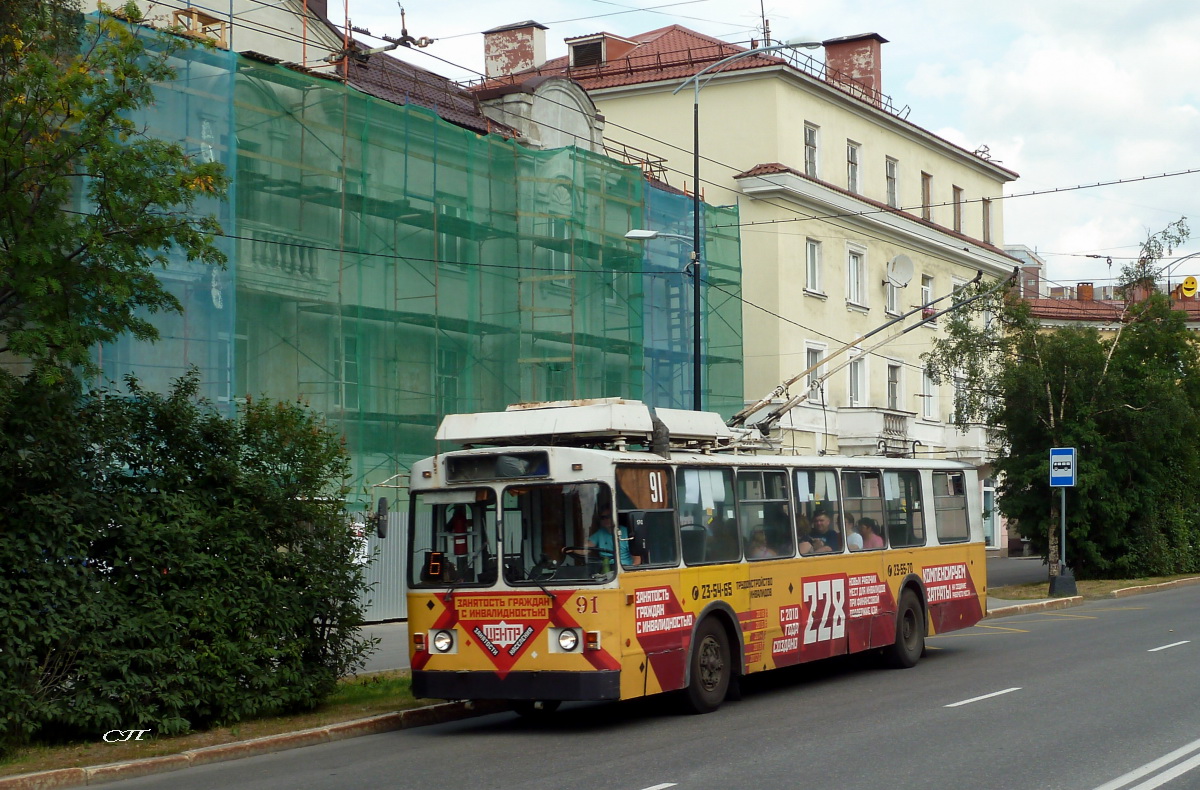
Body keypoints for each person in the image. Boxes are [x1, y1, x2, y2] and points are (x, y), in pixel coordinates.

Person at [566, 507, 640, 567]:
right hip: (605, 568)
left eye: (608, 517)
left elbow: (636, 558)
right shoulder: (600, 533)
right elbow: (585, 550)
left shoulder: (626, 532)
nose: (605, 520)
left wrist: (631, 571)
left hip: (623, 567)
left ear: (614, 517)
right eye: (603, 518)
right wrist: (572, 550)